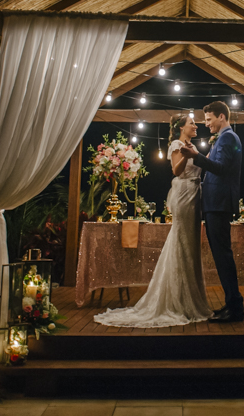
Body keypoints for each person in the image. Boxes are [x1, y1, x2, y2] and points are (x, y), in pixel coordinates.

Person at [93, 114, 213, 328]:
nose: (196, 126)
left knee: (191, 246)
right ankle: (178, 302)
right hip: (184, 194)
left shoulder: (190, 144)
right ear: (181, 128)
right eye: (192, 123)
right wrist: (186, 155)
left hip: (195, 193)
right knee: (183, 243)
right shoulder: (177, 145)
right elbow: (176, 170)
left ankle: (190, 299)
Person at [180, 100, 244, 322]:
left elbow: (221, 168)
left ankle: (235, 308)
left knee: (223, 256)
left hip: (219, 204)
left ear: (222, 117)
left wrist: (195, 157)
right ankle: (231, 304)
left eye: (209, 119)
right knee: (221, 256)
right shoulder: (224, 138)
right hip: (216, 204)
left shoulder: (227, 138)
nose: (206, 124)